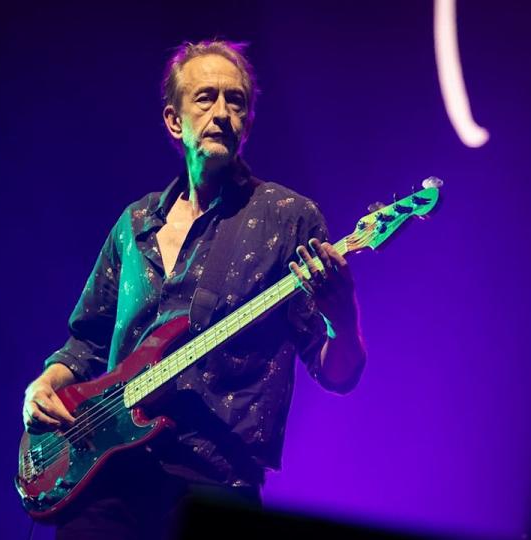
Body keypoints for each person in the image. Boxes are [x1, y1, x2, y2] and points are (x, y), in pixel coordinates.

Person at [21, 39, 367, 540]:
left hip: (215, 481)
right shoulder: (134, 223)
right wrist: (43, 384)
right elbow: (86, 343)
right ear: (173, 120)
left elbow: (337, 373)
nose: (223, 113)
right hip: (104, 479)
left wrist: (344, 317)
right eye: (206, 98)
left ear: (248, 123)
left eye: (237, 101)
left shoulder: (288, 218)